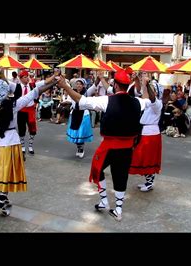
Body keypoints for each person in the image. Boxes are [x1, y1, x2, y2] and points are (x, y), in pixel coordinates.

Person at [56, 70, 145, 221]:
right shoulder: (139, 102)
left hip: (109, 146)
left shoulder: (106, 100)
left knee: (97, 170)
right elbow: (150, 100)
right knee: (121, 176)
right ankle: (118, 209)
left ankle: (104, 200)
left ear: (115, 86)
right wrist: (142, 82)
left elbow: (81, 101)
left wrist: (65, 86)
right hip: (128, 148)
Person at [0, 69, 58, 216]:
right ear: (5, 91)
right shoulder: (13, 105)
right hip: (10, 142)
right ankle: (2, 201)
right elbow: (35, 92)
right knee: (6, 172)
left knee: (0, 171)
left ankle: (3, 198)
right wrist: (55, 83)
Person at [129, 80, 163, 192]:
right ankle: (148, 180)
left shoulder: (157, 103)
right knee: (141, 157)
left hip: (151, 134)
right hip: (143, 132)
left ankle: (150, 182)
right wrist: (139, 80)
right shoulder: (146, 102)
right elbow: (141, 93)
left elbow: (152, 97)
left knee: (148, 158)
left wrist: (148, 85)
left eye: (152, 90)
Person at [65, 79, 93, 158]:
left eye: (80, 84)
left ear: (83, 85)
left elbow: (94, 87)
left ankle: (81, 149)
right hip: (74, 114)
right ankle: (79, 148)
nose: (78, 85)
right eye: (77, 84)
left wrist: (99, 78)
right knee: (76, 133)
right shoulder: (73, 92)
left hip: (84, 114)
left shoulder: (86, 93)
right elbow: (69, 97)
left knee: (81, 133)